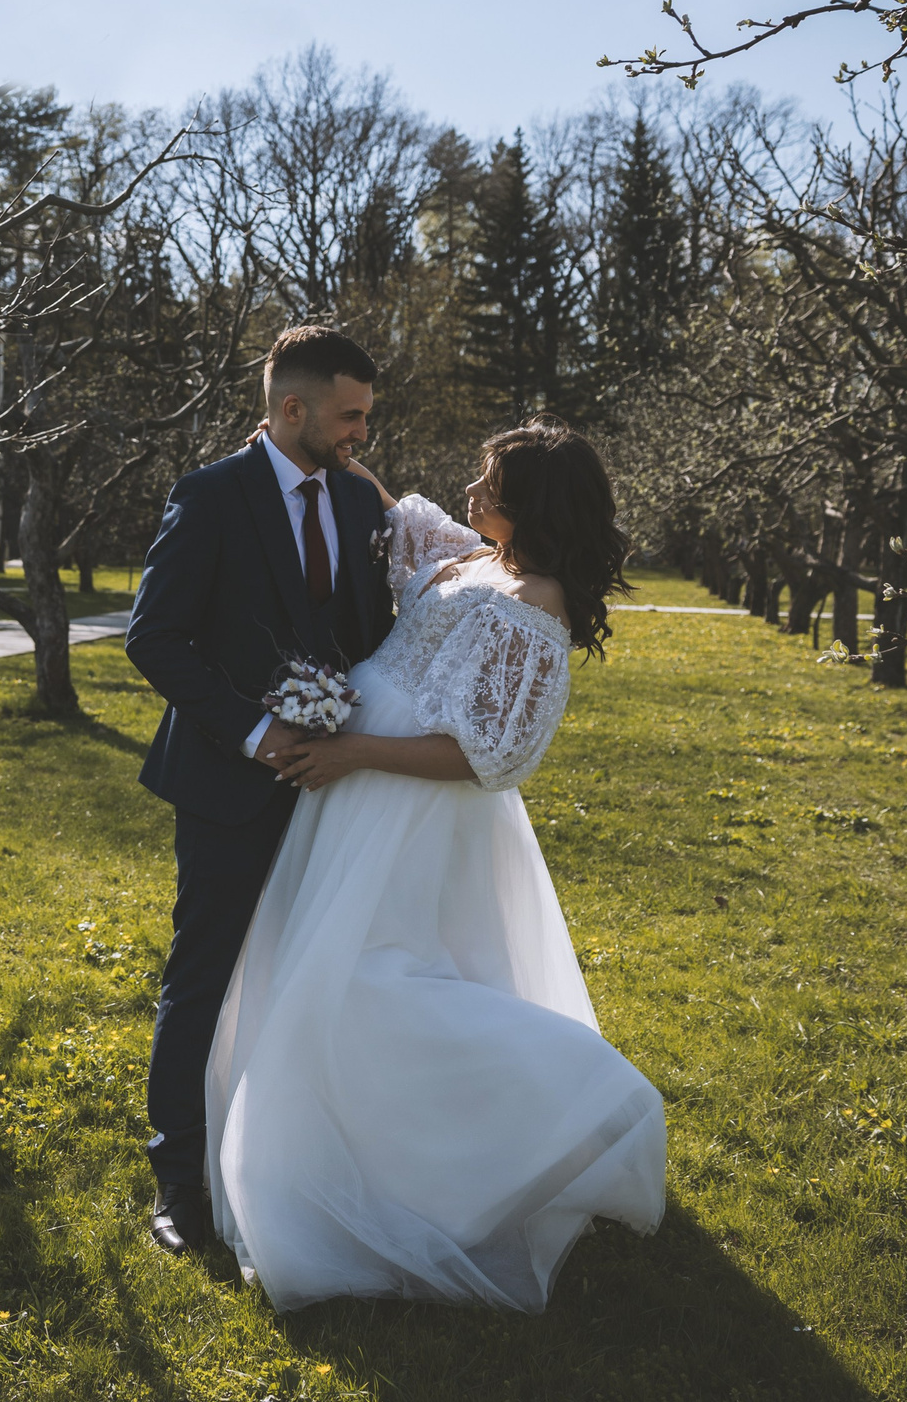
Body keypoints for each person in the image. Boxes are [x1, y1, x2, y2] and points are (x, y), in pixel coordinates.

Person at [213, 417, 666, 1312]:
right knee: (323, 971)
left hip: (409, 812)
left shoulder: (535, 603)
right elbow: (400, 516)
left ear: (527, 503)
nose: (471, 490)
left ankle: (582, 1094)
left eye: (490, 481)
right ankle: (354, 1160)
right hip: (355, 807)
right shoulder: (474, 559)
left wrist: (356, 756)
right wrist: (333, 452)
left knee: (374, 979)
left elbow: (487, 753)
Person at [123, 324, 396, 1258]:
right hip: (227, 787)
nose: (363, 432)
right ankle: (180, 1184)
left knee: (320, 977)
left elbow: (370, 634)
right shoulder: (210, 498)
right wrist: (255, 728)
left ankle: (296, 1157)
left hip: (339, 794)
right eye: (350, 415)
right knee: (202, 979)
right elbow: (153, 639)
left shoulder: (362, 502)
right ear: (292, 409)